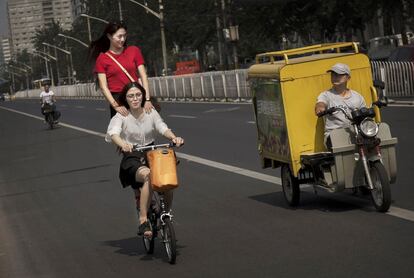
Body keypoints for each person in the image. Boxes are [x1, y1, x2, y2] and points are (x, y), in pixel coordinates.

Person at [106, 81, 184, 238]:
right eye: (131, 96)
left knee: (168, 180)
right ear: (125, 99)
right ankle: (143, 219)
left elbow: (162, 127)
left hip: (152, 153)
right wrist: (123, 144)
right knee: (149, 175)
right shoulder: (121, 115)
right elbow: (113, 133)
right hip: (133, 157)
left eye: (138, 95)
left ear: (143, 96)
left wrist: (174, 138)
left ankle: (165, 213)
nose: (135, 99)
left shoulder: (150, 111)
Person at [89, 21, 154, 118]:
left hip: (136, 96)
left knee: (143, 130)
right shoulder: (102, 59)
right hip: (118, 99)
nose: (122, 39)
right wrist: (115, 105)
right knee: (121, 131)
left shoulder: (134, 51)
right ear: (109, 36)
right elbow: (103, 86)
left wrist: (147, 99)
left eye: (124, 36)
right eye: (119, 36)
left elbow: (143, 75)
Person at [315, 63, 366, 148]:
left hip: (356, 132)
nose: (335, 76)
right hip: (335, 135)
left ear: (348, 77)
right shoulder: (326, 95)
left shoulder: (357, 96)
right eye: (333, 74)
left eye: (339, 74)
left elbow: (364, 113)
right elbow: (321, 103)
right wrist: (320, 107)